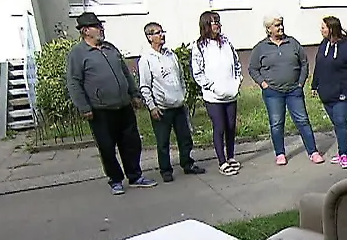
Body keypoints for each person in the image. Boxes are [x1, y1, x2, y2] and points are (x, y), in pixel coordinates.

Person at [65, 11, 157, 195]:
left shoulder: (109, 48)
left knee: (131, 143)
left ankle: (135, 175)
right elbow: (74, 82)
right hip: (100, 110)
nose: (101, 29)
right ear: (85, 31)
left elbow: (125, 72)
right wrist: (84, 107)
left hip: (123, 106)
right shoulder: (78, 54)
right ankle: (115, 179)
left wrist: (134, 94)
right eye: (97, 27)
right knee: (107, 147)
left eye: (101, 26)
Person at [248, 13, 323, 166]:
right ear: (268, 29)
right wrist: (263, 84)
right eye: (277, 25)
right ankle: (280, 154)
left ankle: (313, 151)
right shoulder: (261, 48)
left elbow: (304, 63)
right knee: (277, 123)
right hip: (273, 93)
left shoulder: (292, 43)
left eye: (281, 24)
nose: (280, 27)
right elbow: (253, 69)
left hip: (294, 91)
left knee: (302, 120)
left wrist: (301, 83)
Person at [137, 21, 205, 182]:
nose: (162, 35)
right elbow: (145, 86)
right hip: (162, 108)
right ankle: (165, 170)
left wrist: (184, 94)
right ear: (149, 37)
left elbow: (180, 77)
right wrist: (152, 107)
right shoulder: (146, 59)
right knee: (163, 141)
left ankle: (187, 164)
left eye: (162, 32)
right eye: (157, 33)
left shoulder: (171, 55)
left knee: (185, 138)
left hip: (178, 105)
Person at [310, 16, 347, 170]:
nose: (321, 30)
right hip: (326, 92)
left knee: (340, 120)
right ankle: (341, 150)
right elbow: (319, 66)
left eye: (323, 27)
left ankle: (344, 154)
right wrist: (314, 85)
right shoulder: (323, 45)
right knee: (337, 124)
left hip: (344, 92)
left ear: (331, 29)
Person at [190, 11, 244, 176]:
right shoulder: (199, 46)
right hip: (213, 96)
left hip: (231, 93)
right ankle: (222, 161)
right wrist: (212, 87)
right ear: (206, 25)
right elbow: (198, 73)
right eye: (214, 22)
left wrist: (237, 81)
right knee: (219, 127)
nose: (217, 25)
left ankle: (231, 156)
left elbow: (236, 64)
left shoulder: (226, 42)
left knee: (230, 127)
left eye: (218, 21)